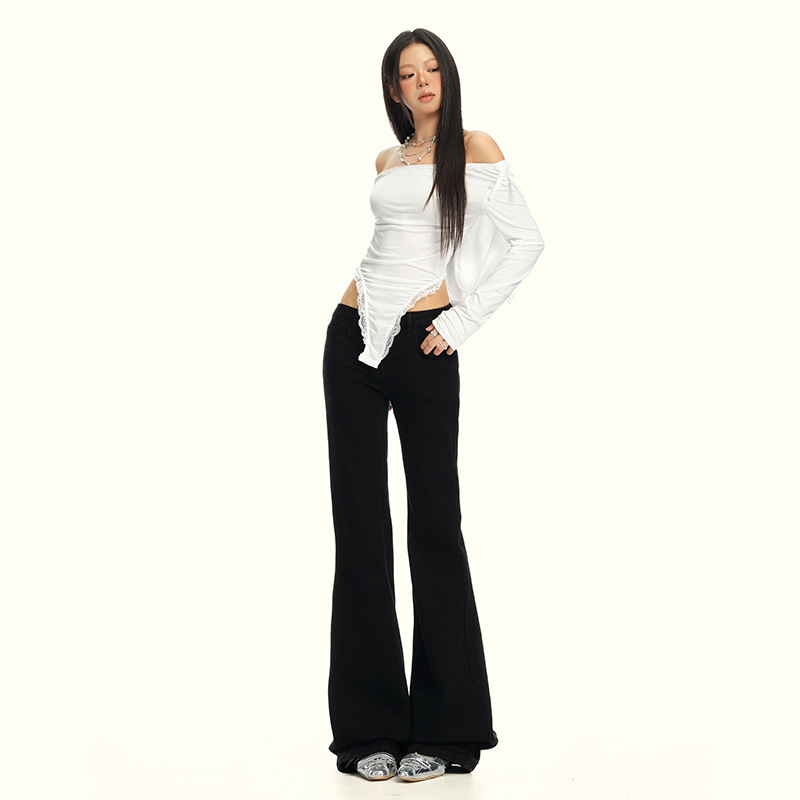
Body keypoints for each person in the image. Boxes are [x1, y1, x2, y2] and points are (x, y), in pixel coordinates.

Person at [321, 28, 545, 782]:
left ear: (447, 75)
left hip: (425, 345)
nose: (422, 82)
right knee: (360, 528)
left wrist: (460, 322)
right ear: (394, 89)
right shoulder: (387, 160)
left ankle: (446, 732)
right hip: (351, 340)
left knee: (434, 526)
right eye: (407, 73)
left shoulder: (474, 149)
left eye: (432, 69)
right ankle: (368, 733)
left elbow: (526, 242)